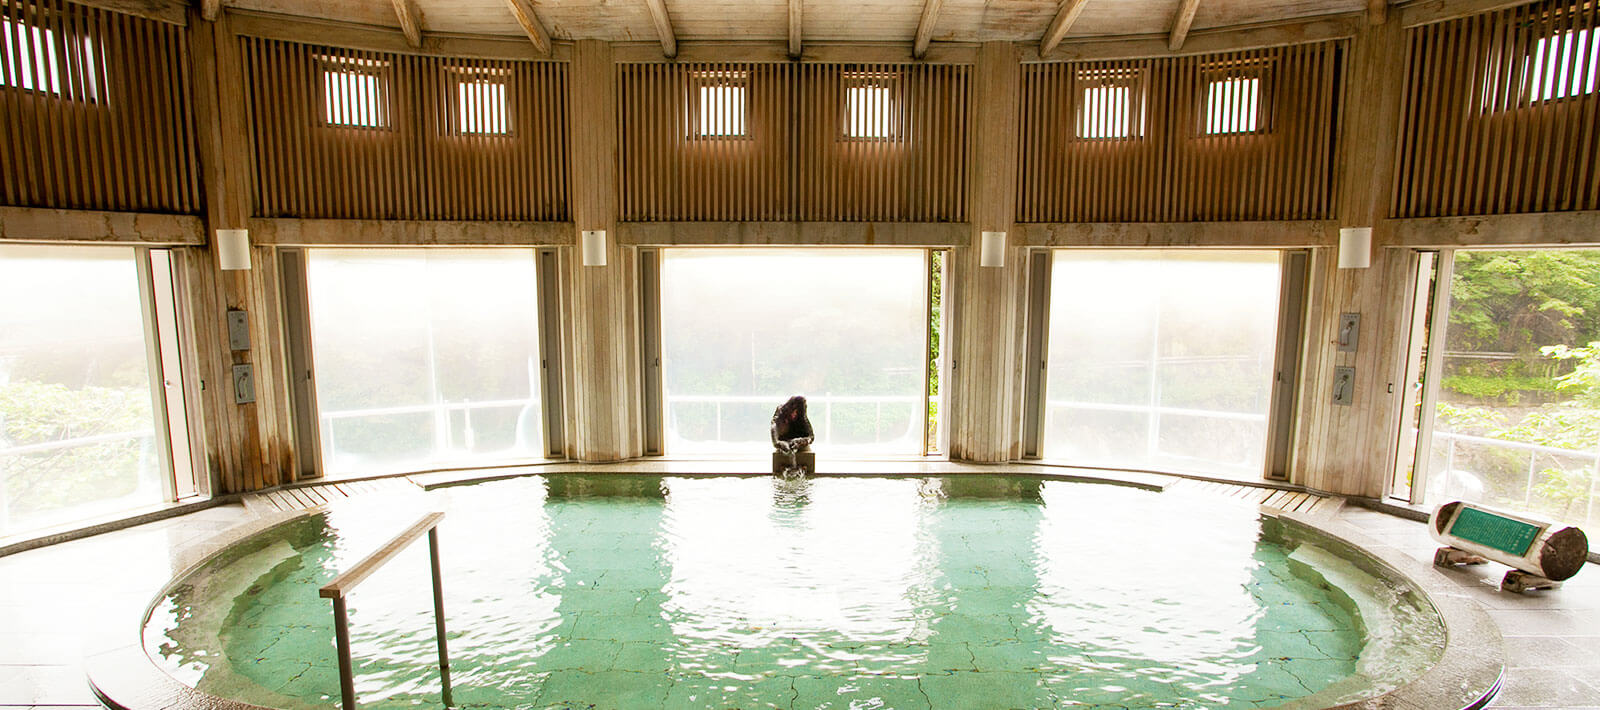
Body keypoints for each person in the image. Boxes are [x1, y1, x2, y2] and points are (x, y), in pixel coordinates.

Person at [770, 395, 814, 474]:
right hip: (784, 439)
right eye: (794, 410)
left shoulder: (801, 414)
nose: (795, 414)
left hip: (796, 439)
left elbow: (811, 436)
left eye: (797, 411)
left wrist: (802, 441)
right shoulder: (781, 411)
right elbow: (774, 426)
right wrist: (777, 442)